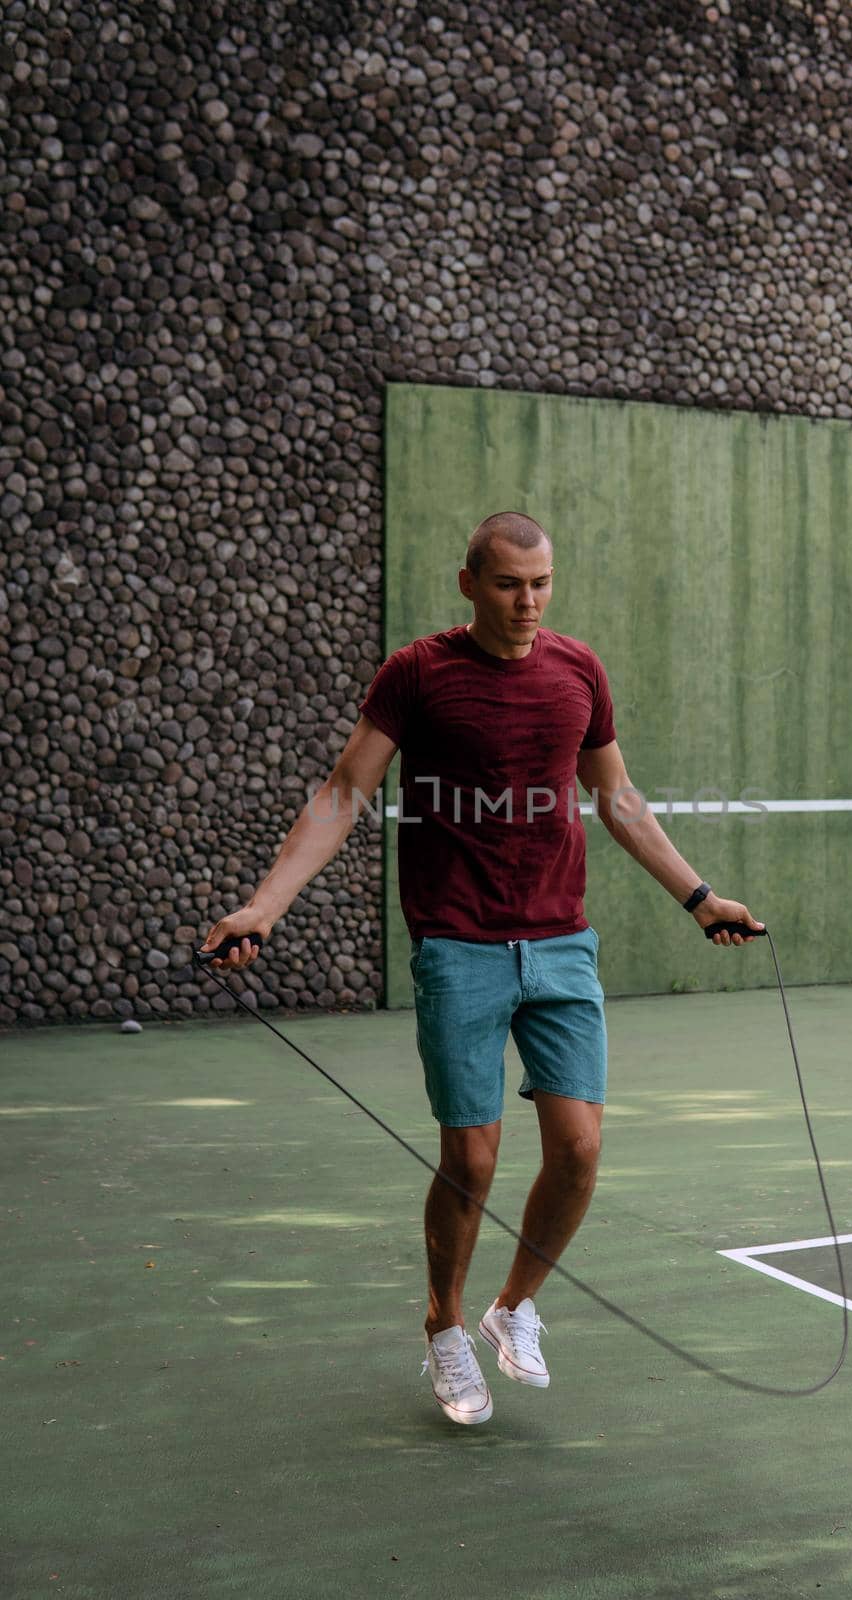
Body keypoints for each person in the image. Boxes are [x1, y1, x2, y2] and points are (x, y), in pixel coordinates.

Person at [199, 510, 763, 1427]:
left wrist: (702, 899)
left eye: (541, 583)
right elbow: (345, 793)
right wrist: (263, 907)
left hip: (560, 944)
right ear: (469, 583)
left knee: (578, 1151)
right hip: (458, 947)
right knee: (470, 1155)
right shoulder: (417, 675)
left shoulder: (578, 671)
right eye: (509, 583)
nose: (528, 601)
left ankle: (514, 1306)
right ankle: (445, 1328)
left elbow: (615, 796)